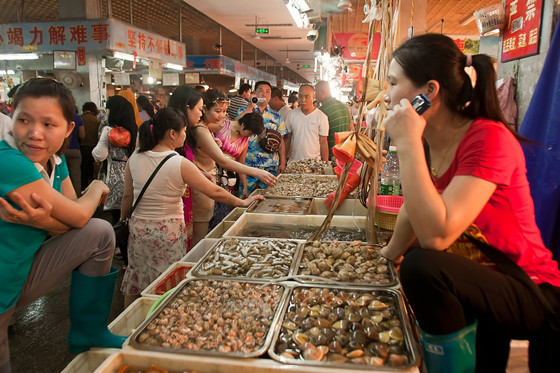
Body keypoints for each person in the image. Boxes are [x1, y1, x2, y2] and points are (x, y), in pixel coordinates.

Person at [378, 34, 560, 373]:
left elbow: (436, 235)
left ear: (428, 92)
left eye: (392, 83)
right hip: (478, 286)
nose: (386, 96)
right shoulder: (430, 140)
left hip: (529, 288)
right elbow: (413, 208)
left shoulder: (488, 138)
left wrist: (406, 144)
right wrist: (385, 258)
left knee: (421, 265)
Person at [0, 78, 126, 372]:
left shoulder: (54, 162)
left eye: (48, 124)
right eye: (24, 120)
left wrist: (44, 220)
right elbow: (80, 213)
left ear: (68, 129)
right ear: (11, 117)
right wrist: (96, 188)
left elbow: (76, 222)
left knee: (100, 233)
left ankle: (89, 329)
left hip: (18, 276)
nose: (34, 133)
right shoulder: (11, 161)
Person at [120, 107, 264, 307]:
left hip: (138, 229)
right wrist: (241, 202)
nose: (186, 134)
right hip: (166, 232)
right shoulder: (178, 162)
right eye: (184, 130)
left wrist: (123, 220)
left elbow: (127, 196)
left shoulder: (135, 157)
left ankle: (128, 323)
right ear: (172, 133)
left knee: (137, 276)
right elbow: (214, 191)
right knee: (166, 282)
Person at [188, 89, 276, 244]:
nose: (222, 116)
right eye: (217, 111)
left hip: (212, 179)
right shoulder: (205, 130)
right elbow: (223, 161)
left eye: (224, 111)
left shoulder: (208, 129)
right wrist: (257, 173)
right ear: (203, 109)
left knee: (206, 226)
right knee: (199, 235)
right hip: (203, 184)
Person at [209, 112, 265, 227]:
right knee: (209, 206)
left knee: (223, 206)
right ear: (243, 124)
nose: (249, 136)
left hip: (228, 179)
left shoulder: (244, 140)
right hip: (211, 172)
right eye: (249, 133)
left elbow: (241, 163)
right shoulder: (221, 126)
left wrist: (244, 186)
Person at [92, 96, 138, 230]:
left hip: (114, 179)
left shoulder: (108, 130)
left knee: (117, 220)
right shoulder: (134, 129)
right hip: (133, 177)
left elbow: (98, 156)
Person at [237, 81, 287, 195]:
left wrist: (283, 162)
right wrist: (250, 106)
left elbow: (282, 141)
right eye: (260, 91)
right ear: (254, 93)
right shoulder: (243, 111)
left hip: (270, 166)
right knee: (246, 197)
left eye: (267, 92)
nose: (264, 94)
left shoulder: (277, 116)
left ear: (270, 96)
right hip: (248, 165)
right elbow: (235, 128)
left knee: (268, 198)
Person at [284, 84, 329, 162]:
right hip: (294, 162)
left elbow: (323, 142)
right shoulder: (291, 114)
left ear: (313, 97)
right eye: (300, 96)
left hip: (314, 163)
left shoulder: (321, 117)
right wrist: (283, 161)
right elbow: (287, 138)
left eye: (307, 97)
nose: (303, 100)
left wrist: (325, 163)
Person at [315, 81, 354, 159]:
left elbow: (319, 139)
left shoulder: (322, 111)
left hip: (330, 155)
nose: (315, 96)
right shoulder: (344, 106)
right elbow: (350, 128)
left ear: (323, 92)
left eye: (316, 92)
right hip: (344, 153)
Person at [80, 102, 100, 190]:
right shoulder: (97, 121)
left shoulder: (80, 119)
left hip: (82, 148)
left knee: (83, 172)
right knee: (92, 172)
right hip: (93, 149)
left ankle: (83, 189)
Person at [65, 109, 85, 196]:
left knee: (62, 177)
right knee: (76, 176)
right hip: (75, 149)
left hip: (61, 151)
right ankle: (76, 198)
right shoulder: (78, 118)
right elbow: (82, 135)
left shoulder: (62, 116)